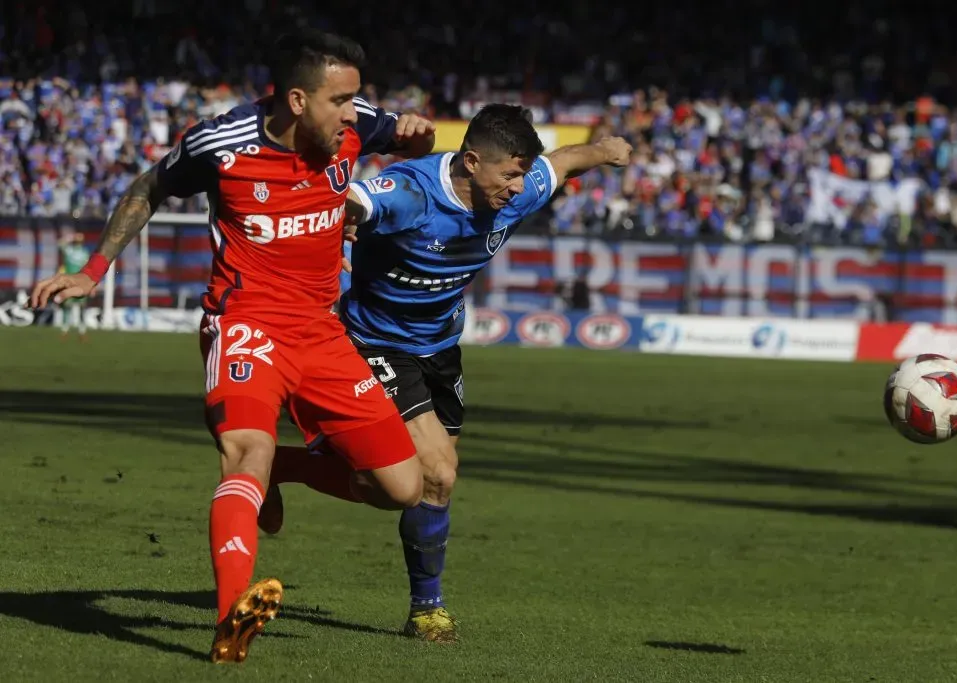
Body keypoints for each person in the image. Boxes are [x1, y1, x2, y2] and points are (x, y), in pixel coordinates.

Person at [30, 28, 437, 664]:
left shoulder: (356, 127)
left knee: (402, 487)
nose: (355, 113)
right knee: (246, 454)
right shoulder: (222, 142)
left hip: (323, 332)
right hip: (245, 324)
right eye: (342, 100)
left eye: (359, 101)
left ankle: (286, 468)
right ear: (298, 101)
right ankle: (231, 622)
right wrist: (92, 271)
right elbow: (148, 186)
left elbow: (415, 138)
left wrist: (420, 134)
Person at [261, 103, 632, 642]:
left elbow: (566, 161)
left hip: (441, 347)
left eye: (523, 173)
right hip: (376, 341)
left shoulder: (520, 185)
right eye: (509, 174)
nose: (519, 186)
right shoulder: (411, 192)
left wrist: (608, 151)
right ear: (472, 161)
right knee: (436, 473)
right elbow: (348, 204)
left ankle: (286, 466)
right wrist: (333, 233)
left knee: (415, 484)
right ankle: (426, 610)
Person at [56, 232, 91, 339]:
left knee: (79, 307)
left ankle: (80, 332)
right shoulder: (71, 250)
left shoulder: (84, 252)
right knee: (70, 307)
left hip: (78, 283)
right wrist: (70, 237)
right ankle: (67, 331)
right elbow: (60, 243)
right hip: (72, 283)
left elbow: (88, 269)